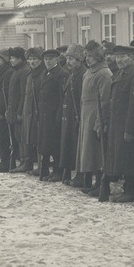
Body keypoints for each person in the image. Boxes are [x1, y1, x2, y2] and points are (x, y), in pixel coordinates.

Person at [105, 44, 134, 202]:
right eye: (117, 57)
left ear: (132, 58)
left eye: (122, 57)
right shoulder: (118, 74)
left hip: (127, 124)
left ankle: (132, 190)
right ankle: (125, 188)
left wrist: (130, 128)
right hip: (116, 123)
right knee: (121, 157)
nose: (119, 60)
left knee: (130, 159)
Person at [76, 41, 113, 195]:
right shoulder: (89, 72)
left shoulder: (104, 74)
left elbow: (105, 100)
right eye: (86, 56)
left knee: (97, 151)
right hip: (86, 114)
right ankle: (94, 182)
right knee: (89, 151)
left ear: (98, 56)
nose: (88, 59)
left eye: (91, 56)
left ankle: (101, 183)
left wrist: (100, 121)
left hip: (96, 114)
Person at [37, 49, 67, 180]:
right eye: (46, 59)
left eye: (50, 58)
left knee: (55, 144)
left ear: (57, 59)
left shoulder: (61, 74)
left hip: (54, 113)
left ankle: (58, 171)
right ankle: (44, 169)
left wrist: (59, 115)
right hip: (44, 113)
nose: (47, 61)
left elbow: (62, 98)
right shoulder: (44, 73)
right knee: (45, 142)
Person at [59, 44, 86, 187]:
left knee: (78, 145)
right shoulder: (72, 74)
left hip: (77, 115)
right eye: (67, 58)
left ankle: (80, 175)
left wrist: (78, 115)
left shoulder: (82, 74)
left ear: (79, 60)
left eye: (71, 59)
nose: (68, 62)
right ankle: (69, 172)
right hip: (69, 114)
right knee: (69, 144)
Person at [16, 47, 44, 174]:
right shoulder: (30, 74)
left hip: (38, 110)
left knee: (39, 138)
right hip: (28, 110)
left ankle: (41, 165)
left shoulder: (42, 73)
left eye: (35, 59)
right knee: (27, 135)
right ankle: (27, 163)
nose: (32, 62)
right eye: (30, 59)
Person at [6, 47, 30, 171]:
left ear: (20, 58)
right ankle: (21, 160)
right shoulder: (16, 71)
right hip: (13, 109)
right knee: (17, 136)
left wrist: (20, 112)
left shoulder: (24, 71)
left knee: (22, 136)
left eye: (13, 58)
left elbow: (22, 94)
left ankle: (26, 161)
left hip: (19, 111)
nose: (11, 60)